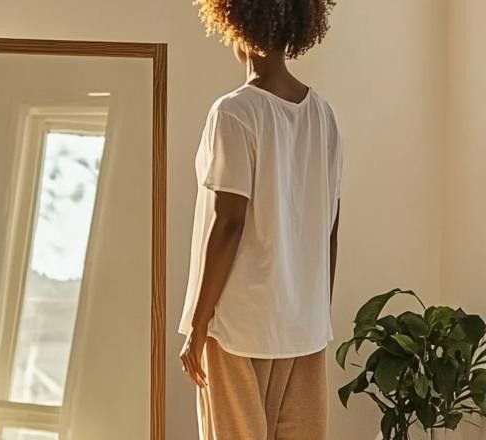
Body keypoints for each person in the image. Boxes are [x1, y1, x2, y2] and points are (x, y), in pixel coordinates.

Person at [178, 1, 341, 439]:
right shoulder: (323, 115)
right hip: (302, 325)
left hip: (237, 323)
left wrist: (198, 323)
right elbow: (330, 227)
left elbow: (228, 223)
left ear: (236, 24)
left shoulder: (233, 112)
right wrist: (313, 308)